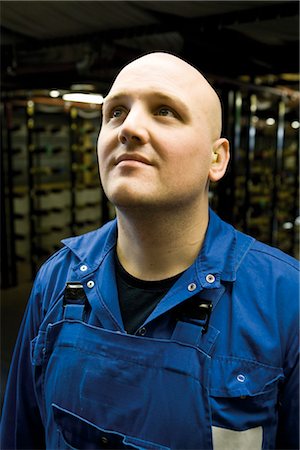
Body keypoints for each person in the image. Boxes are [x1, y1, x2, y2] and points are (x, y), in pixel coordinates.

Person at [0, 52, 299, 450]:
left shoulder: (286, 299)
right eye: (116, 112)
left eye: (164, 111)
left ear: (217, 157)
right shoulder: (57, 278)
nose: (130, 128)